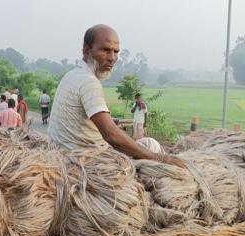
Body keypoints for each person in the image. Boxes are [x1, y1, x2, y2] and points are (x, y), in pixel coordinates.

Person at [47, 24, 185, 168]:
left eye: (115, 51)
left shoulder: (72, 75)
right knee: (151, 145)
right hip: (83, 161)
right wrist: (160, 159)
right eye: (105, 50)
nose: (112, 58)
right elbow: (111, 136)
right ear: (87, 50)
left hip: (64, 154)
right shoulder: (88, 82)